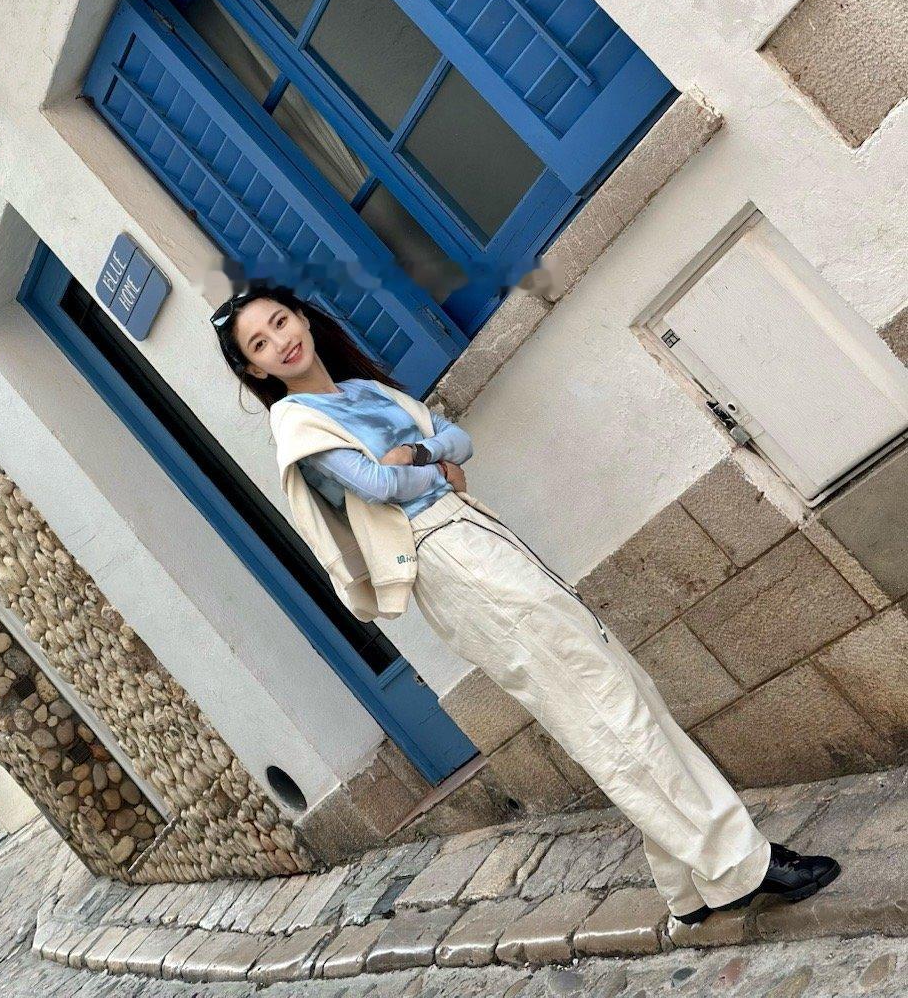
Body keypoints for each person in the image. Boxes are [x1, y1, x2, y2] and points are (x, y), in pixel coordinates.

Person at [210, 280, 841, 926]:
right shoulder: (296, 422)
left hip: (476, 534)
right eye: (259, 344)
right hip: (448, 557)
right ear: (254, 370)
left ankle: (692, 886)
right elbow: (375, 484)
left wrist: (419, 456)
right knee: (600, 705)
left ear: (302, 317)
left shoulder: (364, 393)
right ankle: (739, 864)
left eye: (280, 321)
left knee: (616, 687)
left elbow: (455, 442)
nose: (279, 341)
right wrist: (430, 468)